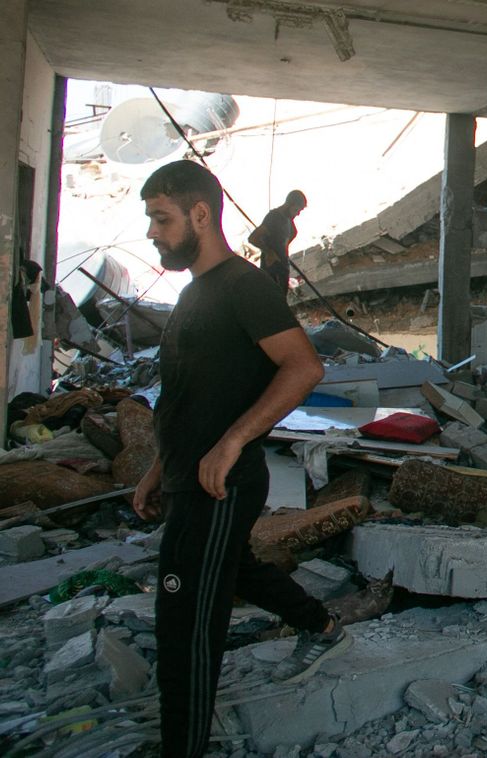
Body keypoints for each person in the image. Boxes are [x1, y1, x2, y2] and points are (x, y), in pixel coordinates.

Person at [134, 161, 349, 758]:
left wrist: (233, 441)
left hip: (221, 482)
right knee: (232, 568)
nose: (152, 232)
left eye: (162, 219)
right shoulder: (193, 294)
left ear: (200, 215)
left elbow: (305, 368)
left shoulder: (245, 288)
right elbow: (185, 394)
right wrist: (158, 466)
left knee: (185, 625)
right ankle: (323, 625)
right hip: (186, 475)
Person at [248, 189, 307, 289]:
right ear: (289, 204)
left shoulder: (288, 218)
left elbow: (292, 234)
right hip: (271, 267)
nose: (298, 214)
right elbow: (253, 238)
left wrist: (284, 250)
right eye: (296, 210)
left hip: (282, 265)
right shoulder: (273, 217)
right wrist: (269, 252)